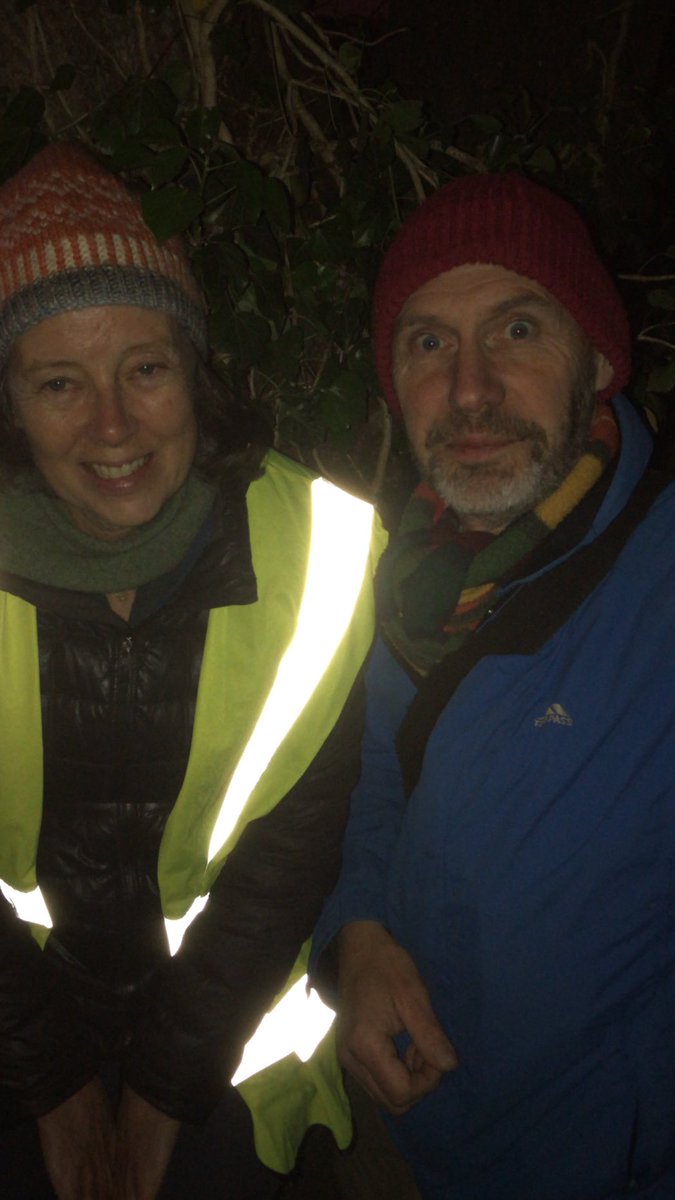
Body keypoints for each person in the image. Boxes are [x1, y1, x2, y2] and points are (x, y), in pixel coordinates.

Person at [0, 141, 385, 1200]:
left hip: (231, 1045)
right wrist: (55, 1080)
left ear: (196, 370)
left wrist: (164, 1091)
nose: (113, 426)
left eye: (146, 369)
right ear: (11, 406)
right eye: (60, 383)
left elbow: (293, 849)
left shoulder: (311, 546)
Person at [311, 171, 675, 1199]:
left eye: (517, 331)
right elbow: (376, 782)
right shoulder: (412, 574)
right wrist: (360, 935)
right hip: (407, 1134)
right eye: (429, 343)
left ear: (599, 359)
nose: (469, 389)